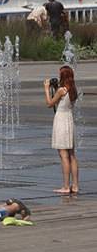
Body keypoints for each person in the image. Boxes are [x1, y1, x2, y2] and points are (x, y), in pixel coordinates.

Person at [45, 65, 79, 194]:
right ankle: (75, 185)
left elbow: (49, 104)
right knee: (72, 155)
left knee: (63, 155)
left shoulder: (61, 90)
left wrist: (46, 89)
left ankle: (65, 186)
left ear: (63, 76)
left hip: (61, 121)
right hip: (69, 120)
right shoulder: (72, 89)